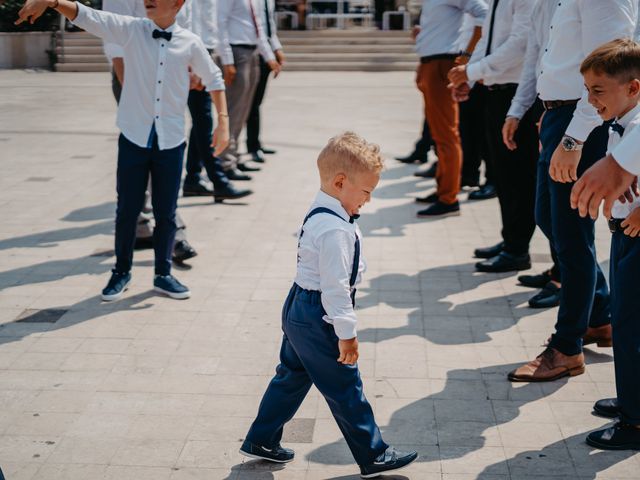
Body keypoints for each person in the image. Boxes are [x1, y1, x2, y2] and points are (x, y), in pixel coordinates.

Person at [17, 0, 230, 301]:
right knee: (127, 210)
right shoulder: (130, 29)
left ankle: (163, 274)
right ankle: (121, 271)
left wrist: (223, 123)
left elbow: (214, 79)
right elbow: (89, 16)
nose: (147, 0)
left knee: (166, 213)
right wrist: (53, 1)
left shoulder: (190, 42)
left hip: (170, 140)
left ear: (178, 3)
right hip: (133, 136)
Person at [240, 133, 418, 478]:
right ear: (340, 182)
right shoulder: (335, 230)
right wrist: (347, 334)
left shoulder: (322, 209)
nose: (368, 200)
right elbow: (335, 289)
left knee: (291, 375)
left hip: (298, 306)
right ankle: (374, 453)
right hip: (319, 313)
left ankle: (261, 439)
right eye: (366, 192)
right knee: (345, 386)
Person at [507, 0, 637, 382]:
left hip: (582, 120)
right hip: (560, 115)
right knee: (548, 217)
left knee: (570, 234)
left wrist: (573, 137)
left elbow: (608, 72)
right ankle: (598, 316)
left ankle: (566, 348)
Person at [577, 39, 640, 451]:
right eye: (587, 90)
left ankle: (635, 422)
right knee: (625, 319)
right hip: (624, 237)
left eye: (598, 90)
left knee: (633, 329)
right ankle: (632, 398)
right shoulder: (622, 122)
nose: (590, 99)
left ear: (632, 88)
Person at [102, 0, 198, 264]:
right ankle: (167, 234)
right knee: (146, 154)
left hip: (168, 75)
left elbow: (183, 25)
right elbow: (115, 44)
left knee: (167, 152)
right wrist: (134, 92)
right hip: (133, 75)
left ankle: (152, 229)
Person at [448, 0, 538, 273]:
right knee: (504, 175)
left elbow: (520, 43)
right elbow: (487, 41)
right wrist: (470, 80)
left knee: (518, 176)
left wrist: (472, 71)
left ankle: (517, 248)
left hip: (517, 93)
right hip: (497, 91)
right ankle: (511, 240)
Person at [501, 0, 561, 307]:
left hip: (574, 111)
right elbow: (534, 60)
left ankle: (569, 281)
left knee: (565, 217)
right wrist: (518, 110)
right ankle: (561, 270)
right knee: (546, 213)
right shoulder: (541, 5)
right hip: (549, 108)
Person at [414, 0, 487, 218]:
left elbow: (483, 12)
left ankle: (449, 198)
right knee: (439, 134)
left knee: (446, 135)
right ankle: (443, 191)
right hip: (430, 62)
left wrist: (466, 55)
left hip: (441, 63)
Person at [178, 0, 253, 202]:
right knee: (203, 120)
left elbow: (211, 23)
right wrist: (192, 62)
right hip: (191, 51)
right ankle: (218, 180)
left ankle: (193, 178)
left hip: (205, 50)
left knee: (201, 120)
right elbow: (187, 17)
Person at [217, 0, 281, 181]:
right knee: (234, 110)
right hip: (236, 51)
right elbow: (220, 23)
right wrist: (227, 60)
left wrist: (269, 56)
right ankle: (225, 162)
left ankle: (234, 157)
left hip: (252, 51)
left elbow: (259, 27)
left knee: (244, 110)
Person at [245, 0, 285, 164]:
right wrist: (268, 55)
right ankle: (252, 146)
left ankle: (256, 143)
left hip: (266, 51)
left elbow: (270, 27)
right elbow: (256, 29)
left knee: (257, 102)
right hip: (255, 51)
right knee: (251, 104)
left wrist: (277, 49)